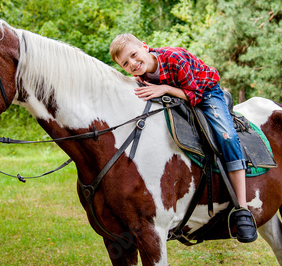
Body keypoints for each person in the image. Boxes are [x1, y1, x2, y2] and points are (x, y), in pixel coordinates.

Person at [109, 33, 257, 243]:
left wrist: (166, 89)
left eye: (134, 55)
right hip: (176, 96)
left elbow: (195, 94)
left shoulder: (174, 58)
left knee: (226, 137)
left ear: (144, 47)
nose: (132, 63)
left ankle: (243, 209)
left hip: (205, 93)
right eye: (125, 63)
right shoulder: (140, 77)